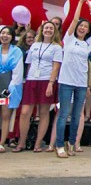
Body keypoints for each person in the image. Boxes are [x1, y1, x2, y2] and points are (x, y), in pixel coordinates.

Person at [55, 0, 91, 158]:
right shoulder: (68, 39)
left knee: (77, 115)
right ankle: (59, 145)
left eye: (85, 26)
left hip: (82, 83)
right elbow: (74, 20)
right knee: (64, 114)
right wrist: (80, 2)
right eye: (80, 26)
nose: (82, 28)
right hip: (66, 82)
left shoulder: (88, 42)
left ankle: (71, 143)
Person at [14, 22, 62, 153]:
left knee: (43, 112)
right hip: (32, 80)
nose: (48, 30)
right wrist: (29, 79)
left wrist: (51, 84)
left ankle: (38, 143)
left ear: (54, 31)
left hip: (47, 80)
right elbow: (29, 64)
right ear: (42, 30)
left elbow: (56, 67)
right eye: (46, 28)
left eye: (51, 28)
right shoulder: (34, 45)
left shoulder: (57, 47)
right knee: (25, 112)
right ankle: (22, 142)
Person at [0, 26, 24, 153]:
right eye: (3, 33)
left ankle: (1, 142)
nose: (5, 36)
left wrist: (9, 90)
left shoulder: (16, 52)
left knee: (5, 115)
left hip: (5, 89)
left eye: (8, 34)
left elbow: (17, 74)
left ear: (12, 37)